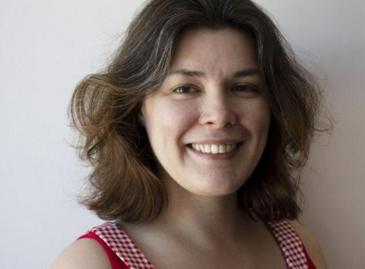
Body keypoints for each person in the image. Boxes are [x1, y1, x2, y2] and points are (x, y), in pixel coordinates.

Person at [52, 0, 330, 268]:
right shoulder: (90, 264)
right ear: (138, 107)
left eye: (244, 87)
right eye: (185, 88)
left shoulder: (299, 245)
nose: (219, 115)